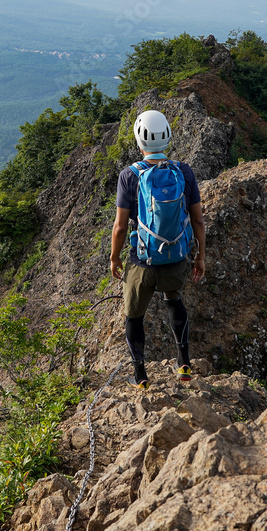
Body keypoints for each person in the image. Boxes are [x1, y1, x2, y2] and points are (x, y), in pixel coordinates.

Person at [110, 110, 206, 389]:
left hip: (142, 263)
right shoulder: (184, 172)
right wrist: (200, 257)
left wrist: (114, 258)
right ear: (168, 137)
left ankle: (140, 376)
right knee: (174, 301)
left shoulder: (130, 176)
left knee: (134, 316)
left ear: (139, 141)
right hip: (176, 261)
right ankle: (184, 363)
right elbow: (198, 219)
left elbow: (119, 227)